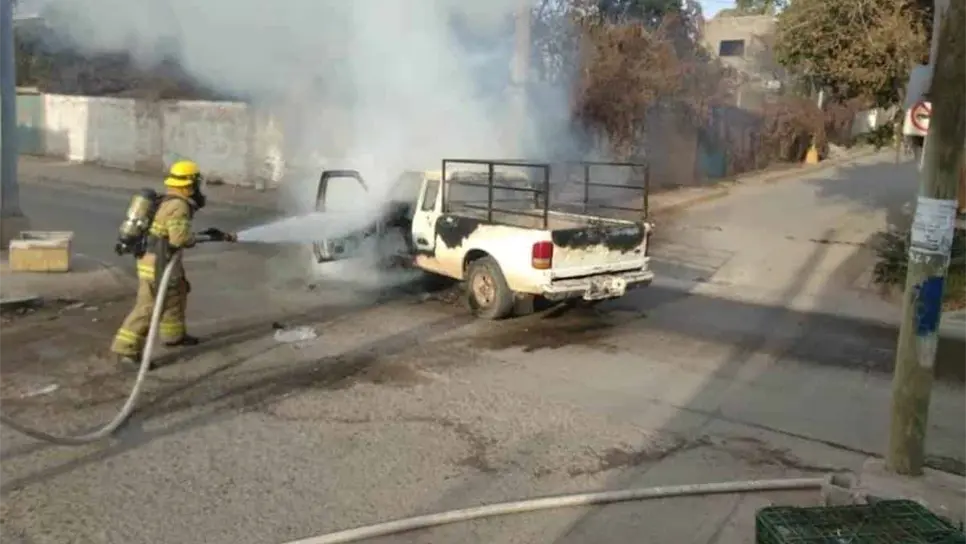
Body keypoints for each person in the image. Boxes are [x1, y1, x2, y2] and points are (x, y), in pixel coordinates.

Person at [110, 160, 236, 367]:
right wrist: (204, 238)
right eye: (196, 183)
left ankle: (173, 336)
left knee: (177, 292)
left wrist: (207, 235)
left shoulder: (170, 199)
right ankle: (126, 351)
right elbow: (180, 239)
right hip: (156, 262)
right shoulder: (179, 206)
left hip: (163, 258)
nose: (198, 188)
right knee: (148, 306)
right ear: (189, 185)